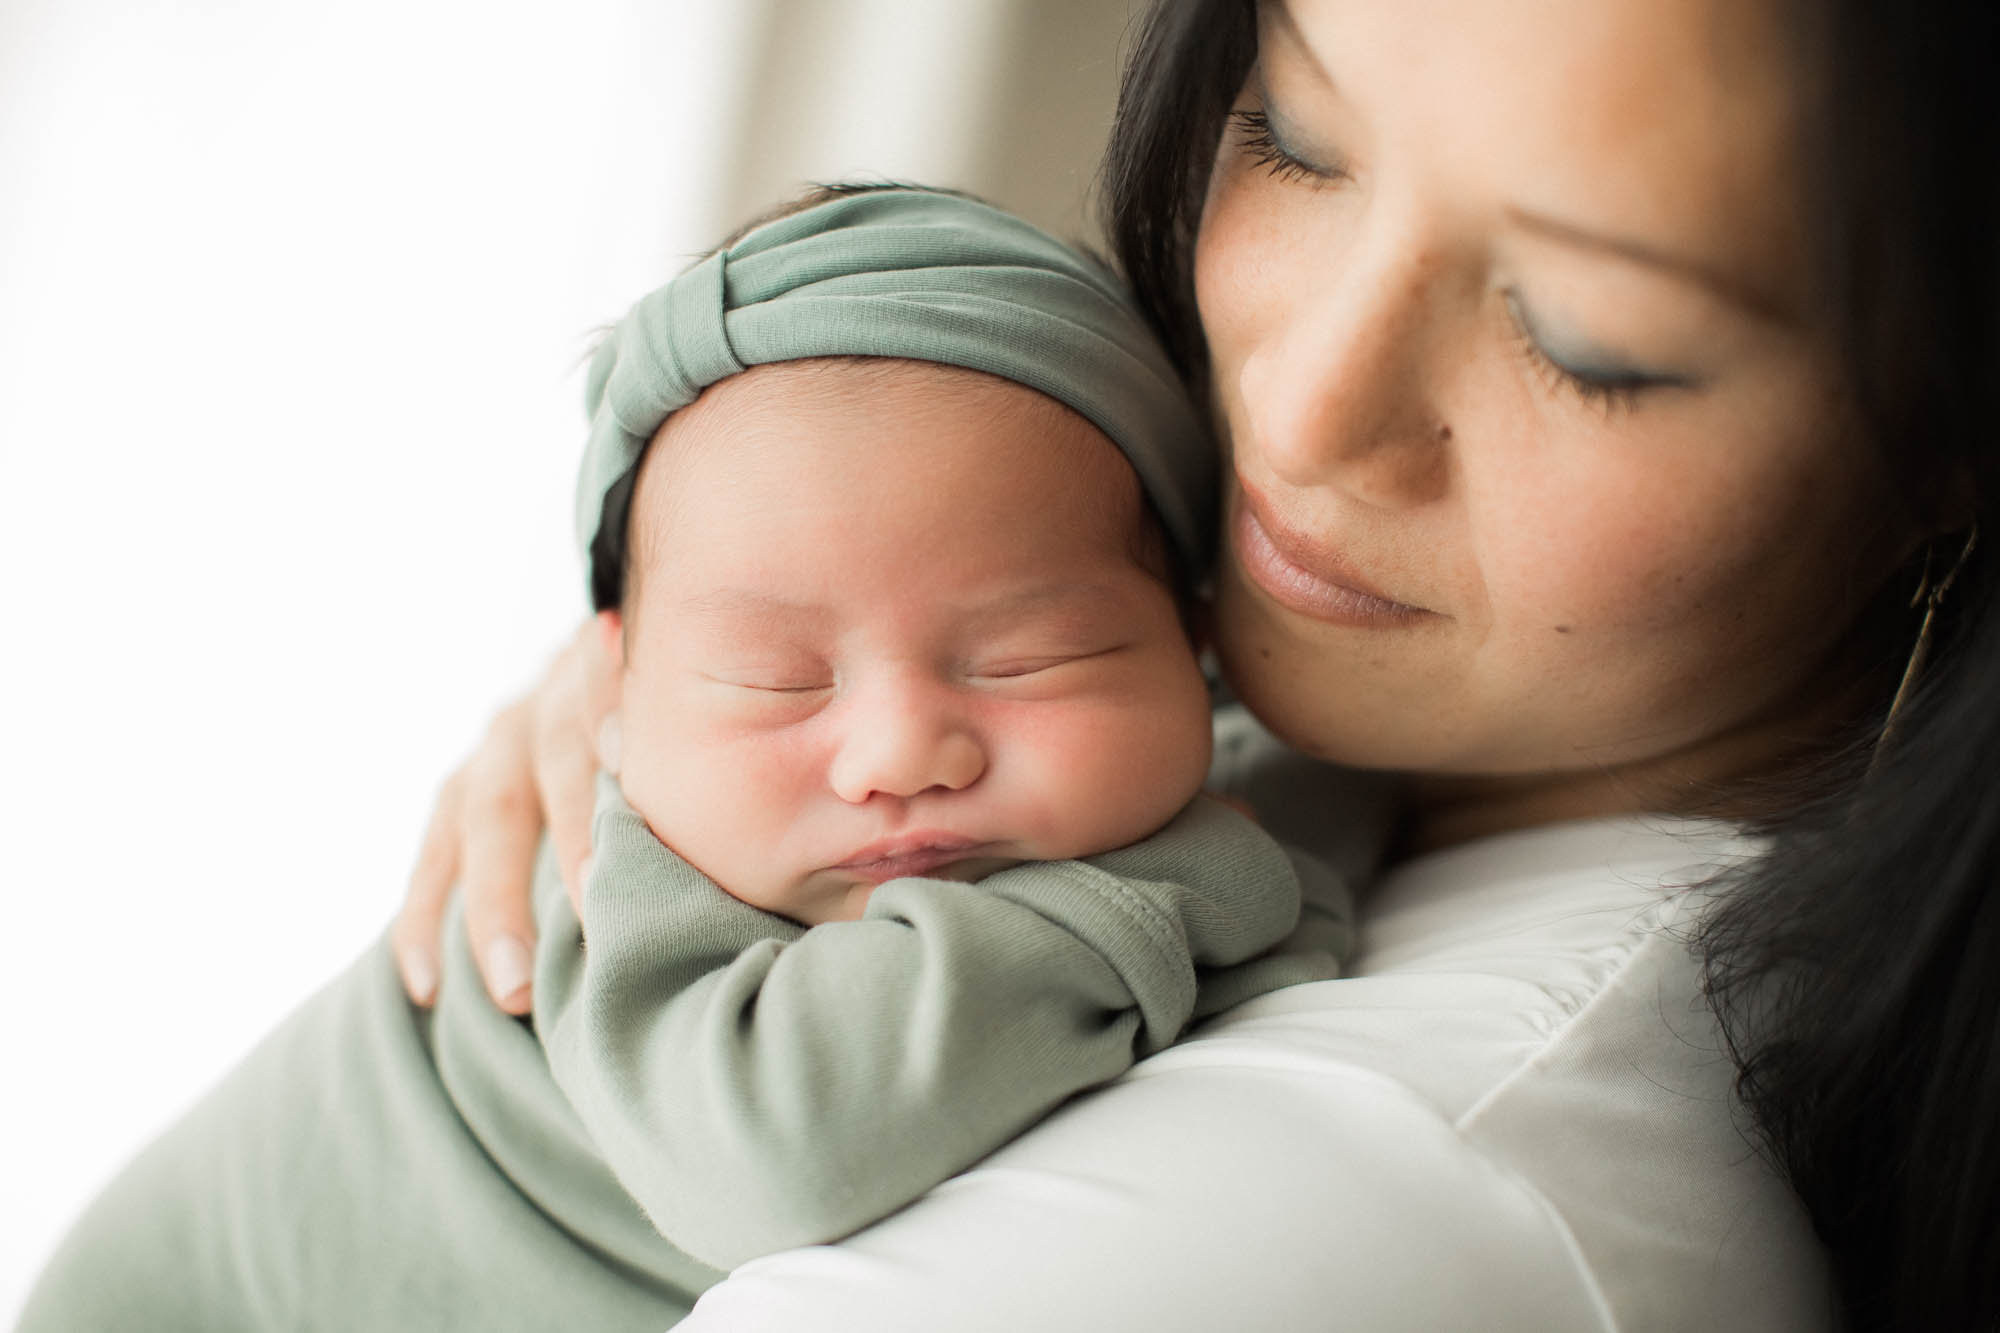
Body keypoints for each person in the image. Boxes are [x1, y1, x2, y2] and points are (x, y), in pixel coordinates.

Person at [388, 0, 2000, 1329]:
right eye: (1296, 138)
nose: (1298, 415)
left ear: (1953, 432)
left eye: (1587, 335)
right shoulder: (1333, 730)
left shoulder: (1331, 1201)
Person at [14, 187, 1354, 1329]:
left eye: (1025, 657)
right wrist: (1194, 883)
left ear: (1199, 642)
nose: (895, 752)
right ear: (609, 694)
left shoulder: (1207, 753)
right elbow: (777, 1156)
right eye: (777, 681)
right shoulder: (624, 859)